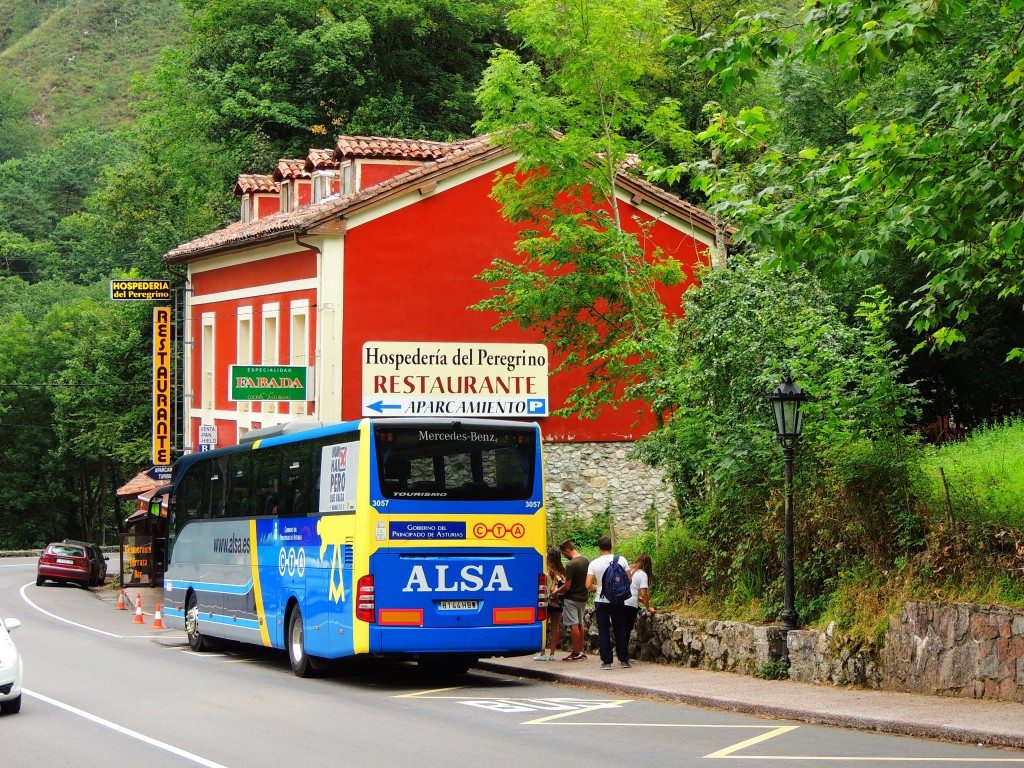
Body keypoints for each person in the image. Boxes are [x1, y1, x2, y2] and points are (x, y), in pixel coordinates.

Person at [586, 536, 631, 669]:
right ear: (611, 546)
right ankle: (624, 660)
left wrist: (599, 588)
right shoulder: (622, 560)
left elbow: (587, 585)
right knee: (620, 628)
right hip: (618, 599)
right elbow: (629, 579)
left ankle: (606, 662)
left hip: (601, 601)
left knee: (603, 630)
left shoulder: (594, 563)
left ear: (599, 548)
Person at [553, 539, 589, 661]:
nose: (564, 556)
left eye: (564, 553)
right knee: (580, 624)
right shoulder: (585, 560)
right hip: (583, 597)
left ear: (567, 550)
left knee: (574, 625)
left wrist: (556, 592)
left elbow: (567, 586)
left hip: (571, 598)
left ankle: (576, 652)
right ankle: (581, 651)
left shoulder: (571, 565)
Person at [534, 547, 566, 660]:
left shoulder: (547, 570)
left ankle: (542, 653)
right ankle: (552, 654)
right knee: (555, 628)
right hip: (558, 602)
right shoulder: (562, 571)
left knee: (543, 627)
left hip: (546, 601)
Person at [624, 551, 656, 656]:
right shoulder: (642, 574)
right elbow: (644, 594)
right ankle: (623, 656)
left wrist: (641, 601)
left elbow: (631, 590)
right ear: (648, 564)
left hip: (620, 602)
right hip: (630, 605)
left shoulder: (629, 570)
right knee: (627, 630)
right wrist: (648, 608)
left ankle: (621, 654)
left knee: (621, 629)